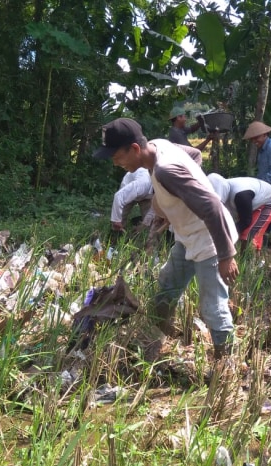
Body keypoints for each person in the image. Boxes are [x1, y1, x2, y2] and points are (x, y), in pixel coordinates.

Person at [94, 118, 239, 360]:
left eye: (117, 156)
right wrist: (179, 203)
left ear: (135, 149)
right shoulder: (159, 145)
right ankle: (159, 341)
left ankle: (225, 365)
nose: (114, 162)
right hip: (187, 236)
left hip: (209, 239)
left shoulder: (165, 170)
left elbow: (212, 205)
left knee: (213, 307)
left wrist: (226, 255)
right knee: (166, 289)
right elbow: (194, 155)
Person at [207, 173, 271, 254]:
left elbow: (245, 221)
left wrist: (225, 234)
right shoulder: (218, 192)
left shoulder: (241, 196)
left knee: (249, 236)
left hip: (268, 201)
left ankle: (253, 263)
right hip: (250, 202)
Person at [110, 167, 154, 233]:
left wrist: (143, 225)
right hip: (130, 187)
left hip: (147, 195)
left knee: (150, 223)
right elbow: (119, 196)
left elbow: (153, 211)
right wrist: (116, 220)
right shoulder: (142, 183)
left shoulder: (163, 192)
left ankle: (145, 239)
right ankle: (115, 237)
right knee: (120, 218)